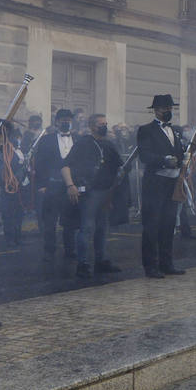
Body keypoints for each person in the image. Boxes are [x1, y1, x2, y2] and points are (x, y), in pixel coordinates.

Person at [61, 112, 123, 278]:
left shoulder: (109, 145)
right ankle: (83, 264)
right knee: (86, 228)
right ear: (91, 126)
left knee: (102, 228)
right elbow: (65, 166)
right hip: (89, 192)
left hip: (105, 192)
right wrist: (70, 185)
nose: (104, 126)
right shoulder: (83, 144)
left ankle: (100, 261)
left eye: (105, 123)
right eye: (100, 124)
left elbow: (119, 167)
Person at [136, 94, 187, 278]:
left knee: (169, 224)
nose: (169, 111)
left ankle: (167, 263)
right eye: (165, 108)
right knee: (152, 225)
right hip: (155, 183)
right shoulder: (146, 130)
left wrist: (184, 157)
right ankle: (151, 266)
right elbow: (145, 156)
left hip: (172, 183)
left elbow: (179, 153)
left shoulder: (176, 131)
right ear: (156, 110)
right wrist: (164, 160)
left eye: (170, 108)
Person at [32, 108, 81, 261]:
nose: (66, 122)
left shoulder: (79, 139)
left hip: (71, 185)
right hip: (52, 185)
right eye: (63, 119)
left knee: (70, 221)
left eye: (69, 119)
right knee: (50, 221)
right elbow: (40, 164)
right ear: (57, 122)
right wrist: (41, 184)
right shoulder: (47, 140)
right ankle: (49, 250)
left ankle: (70, 250)